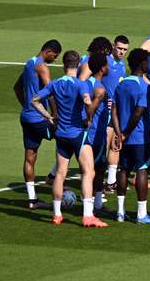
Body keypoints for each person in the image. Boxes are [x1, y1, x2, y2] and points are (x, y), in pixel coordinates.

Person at [29, 50, 107, 227]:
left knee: (60, 174)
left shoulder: (55, 84)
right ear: (78, 65)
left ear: (64, 65)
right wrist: (88, 117)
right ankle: (88, 215)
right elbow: (88, 101)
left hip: (61, 135)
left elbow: (34, 100)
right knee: (89, 172)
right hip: (77, 134)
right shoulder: (81, 84)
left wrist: (48, 116)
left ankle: (57, 214)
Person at [111, 48, 150, 224]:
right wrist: (125, 133)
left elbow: (114, 110)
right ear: (142, 64)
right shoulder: (143, 86)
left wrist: (119, 134)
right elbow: (139, 112)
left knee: (123, 170)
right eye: (147, 62)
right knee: (141, 170)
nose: (149, 64)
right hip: (140, 137)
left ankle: (120, 212)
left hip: (125, 137)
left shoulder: (121, 84)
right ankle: (141, 214)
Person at [14, 39, 61, 209]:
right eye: (54, 56)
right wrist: (54, 115)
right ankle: (53, 177)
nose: (55, 59)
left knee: (30, 157)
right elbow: (50, 93)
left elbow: (17, 88)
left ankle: (32, 200)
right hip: (40, 119)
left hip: (26, 117)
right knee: (71, 139)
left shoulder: (29, 64)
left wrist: (26, 106)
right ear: (48, 51)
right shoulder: (42, 66)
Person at [80, 54, 111, 215]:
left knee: (93, 169)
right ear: (102, 68)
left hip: (86, 135)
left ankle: (94, 203)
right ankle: (93, 205)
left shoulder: (85, 83)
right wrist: (89, 119)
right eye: (107, 65)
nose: (109, 67)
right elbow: (91, 107)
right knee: (97, 170)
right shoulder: (99, 88)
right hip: (96, 135)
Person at [104, 35, 129, 192]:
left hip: (117, 110)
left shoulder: (122, 65)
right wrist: (103, 98)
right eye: (119, 48)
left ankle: (111, 181)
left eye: (125, 50)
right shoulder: (105, 62)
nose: (122, 52)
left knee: (116, 143)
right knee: (103, 146)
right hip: (104, 111)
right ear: (113, 46)